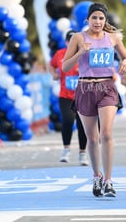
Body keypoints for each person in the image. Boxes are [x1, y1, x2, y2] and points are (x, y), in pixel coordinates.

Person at [62, 2, 126, 198]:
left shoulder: (113, 38)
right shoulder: (77, 38)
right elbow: (65, 67)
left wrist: (125, 63)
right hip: (85, 87)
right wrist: (80, 53)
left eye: (101, 18)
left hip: (106, 87)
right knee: (92, 138)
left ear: (105, 20)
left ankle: (108, 180)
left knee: (106, 134)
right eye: (94, 18)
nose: (98, 21)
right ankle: (96, 176)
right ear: (87, 20)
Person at [49, 30, 88, 166]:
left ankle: (82, 153)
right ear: (66, 43)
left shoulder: (85, 54)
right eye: (71, 42)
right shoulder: (60, 54)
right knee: (68, 120)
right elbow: (51, 65)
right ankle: (66, 150)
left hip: (83, 95)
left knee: (82, 124)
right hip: (65, 95)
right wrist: (54, 74)